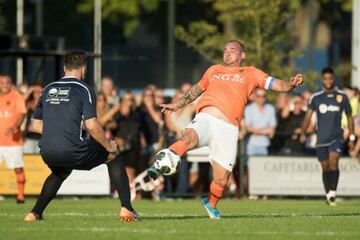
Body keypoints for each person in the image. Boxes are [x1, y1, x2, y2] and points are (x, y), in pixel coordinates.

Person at [148, 40, 303, 219]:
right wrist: (178, 104)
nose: (227, 53)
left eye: (232, 50)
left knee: (222, 180)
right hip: (206, 117)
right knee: (189, 136)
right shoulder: (214, 70)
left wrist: (291, 84)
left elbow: (278, 85)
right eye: (225, 50)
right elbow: (196, 89)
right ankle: (162, 162)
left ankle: (211, 204)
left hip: (228, 129)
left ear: (242, 55)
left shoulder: (251, 73)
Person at [24, 51, 138, 222]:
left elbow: (34, 125)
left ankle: (34, 213)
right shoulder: (84, 89)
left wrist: (58, 131)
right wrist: (108, 145)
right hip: (72, 148)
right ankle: (127, 209)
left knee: (60, 172)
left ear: (64, 68)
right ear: (84, 69)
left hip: (47, 150)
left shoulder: (48, 89)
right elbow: (92, 125)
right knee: (113, 156)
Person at [301, 67, 354, 206]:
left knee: (334, 162)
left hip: (337, 136)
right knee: (325, 166)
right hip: (321, 138)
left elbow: (350, 117)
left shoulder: (342, 96)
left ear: (333, 78)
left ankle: (333, 194)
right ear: (322, 80)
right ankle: (328, 194)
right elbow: (307, 118)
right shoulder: (316, 97)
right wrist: (302, 132)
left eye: (330, 78)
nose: (328, 81)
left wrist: (352, 136)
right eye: (325, 79)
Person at [0, 74, 27, 203]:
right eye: (1, 83)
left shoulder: (17, 96)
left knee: (18, 168)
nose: (4, 85)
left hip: (13, 142)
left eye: (7, 82)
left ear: (11, 83)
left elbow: (22, 114)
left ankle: (20, 196)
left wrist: (15, 126)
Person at [244, 89, 277, 156]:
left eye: (263, 96)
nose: (261, 98)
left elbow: (272, 129)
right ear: (255, 96)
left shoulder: (270, 108)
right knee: (250, 165)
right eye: (259, 96)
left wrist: (256, 131)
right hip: (251, 144)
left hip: (265, 144)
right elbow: (248, 128)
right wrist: (265, 131)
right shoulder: (248, 109)